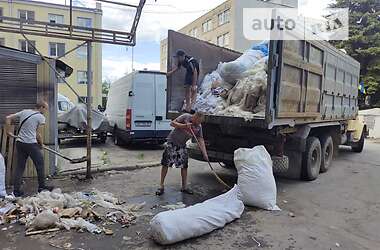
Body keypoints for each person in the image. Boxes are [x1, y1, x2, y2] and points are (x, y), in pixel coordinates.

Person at [5, 101, 53, 197]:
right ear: (42, 107)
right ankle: (41, 187)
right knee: (40, 165)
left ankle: (16, 191)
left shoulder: (24, 112)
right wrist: (41, 144)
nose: (46, 111)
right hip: (31, 144)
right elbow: (38, 134)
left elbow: (8, 118)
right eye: (46, 109)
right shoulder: (40, 117)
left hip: (20, 143)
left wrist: (8, 132)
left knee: (20, 167)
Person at [156, 112, 209, 196]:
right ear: (194, 117)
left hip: (182, 145)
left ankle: (184, 187)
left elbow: (200, 139)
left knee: (184, 166)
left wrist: (204, 153)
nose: (198, 124)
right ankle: (161, 186)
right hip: (172, 142)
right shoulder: (186, 117)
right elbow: (172, 123)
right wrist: (183, 126)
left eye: (200, 122)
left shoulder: (198, 127)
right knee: (166, 164)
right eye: (198, 121)